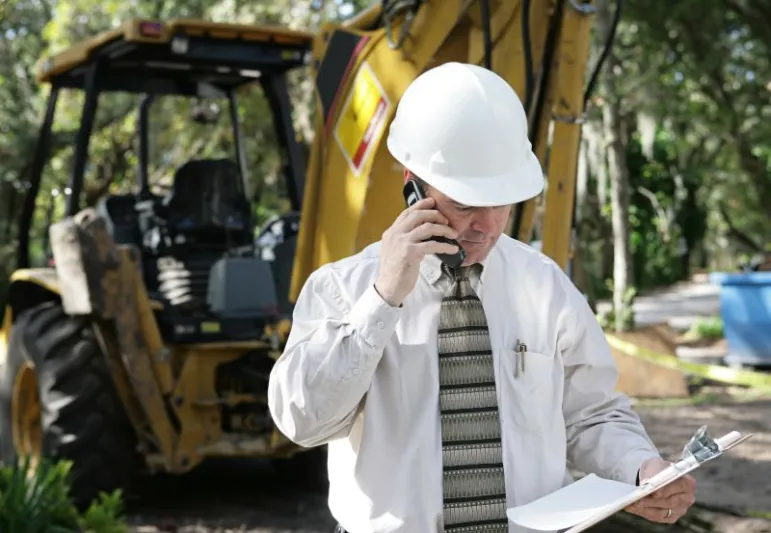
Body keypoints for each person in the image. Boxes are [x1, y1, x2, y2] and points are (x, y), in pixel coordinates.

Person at [267, 62, 696, 533]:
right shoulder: (342, 289)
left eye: (502, 202)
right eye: (466, 203)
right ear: (412, 184)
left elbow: (591, 413)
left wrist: (641, 468)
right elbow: (303, 422)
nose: (487, 226)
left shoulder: (546, 287)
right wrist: (382, 299)